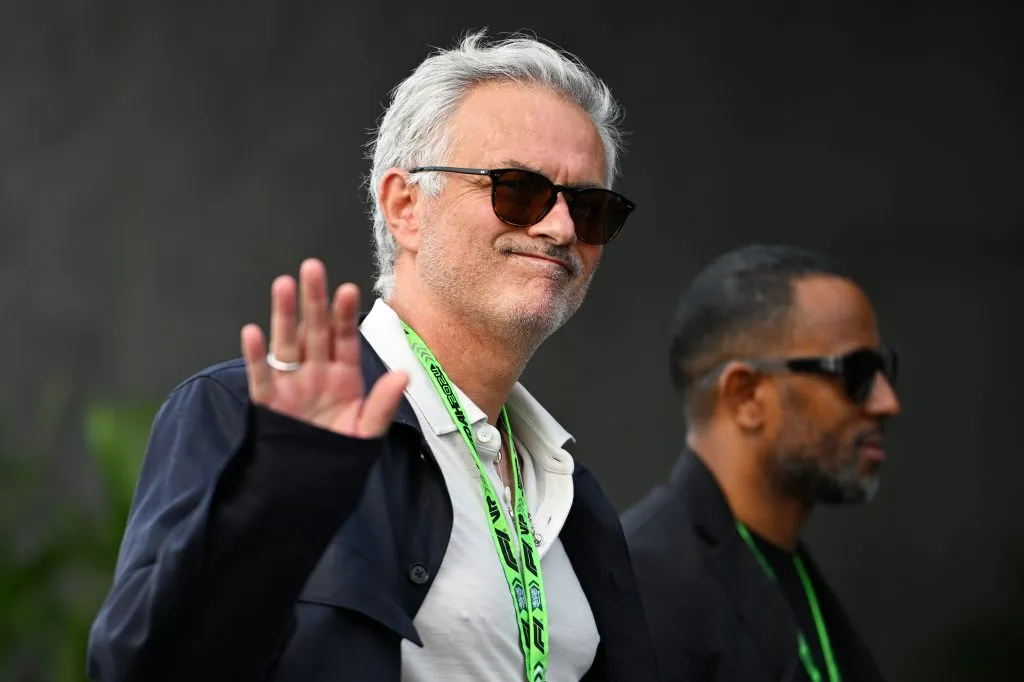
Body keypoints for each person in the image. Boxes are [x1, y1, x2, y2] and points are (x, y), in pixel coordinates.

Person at [85, 30, 660, 682]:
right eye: (518, 190)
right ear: (404, 207)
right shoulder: (247, 417)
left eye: (589, 208)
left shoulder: (571, 494)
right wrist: (279, 491)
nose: (559, 228)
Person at [623, 244, 901, 682]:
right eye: (857, 372)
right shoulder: (642, 585)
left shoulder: (788, 566)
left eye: (886, 370)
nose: (887, 402)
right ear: (746, 396)